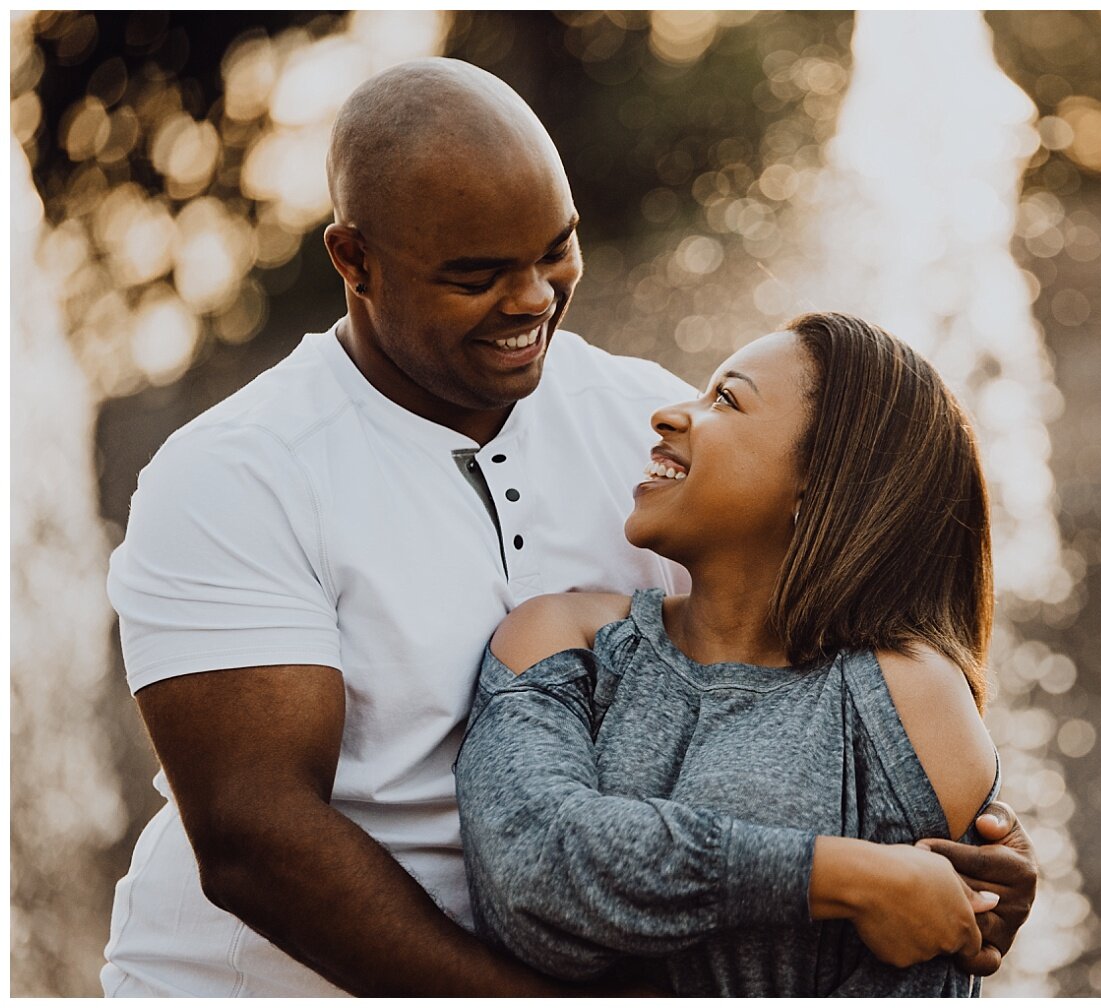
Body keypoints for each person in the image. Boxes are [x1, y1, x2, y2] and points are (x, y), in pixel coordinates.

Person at [101, 57, 1037, 997]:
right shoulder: (237, 472)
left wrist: (963, 852)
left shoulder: (644, 423)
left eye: (556, 250)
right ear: (355, 261)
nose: (533, 299)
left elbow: (784, 690)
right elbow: (257, 841)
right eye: (477, 275)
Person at [458, 313, 1010, 995]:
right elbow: (531, 866)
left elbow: (924, 952)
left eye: (726, 398)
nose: (667, 415)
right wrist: (841, 876)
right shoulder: (561, 639)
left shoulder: (907, 696)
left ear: (820, 483)